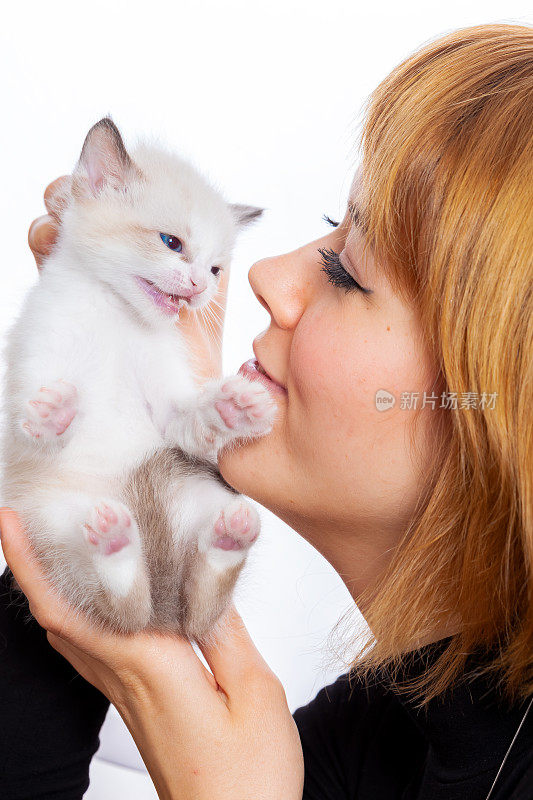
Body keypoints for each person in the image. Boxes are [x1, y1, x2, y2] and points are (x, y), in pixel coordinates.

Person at [1, 22, 532, 800]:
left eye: (345, 272)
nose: (266, 277)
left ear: (494, 402)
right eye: (327, 229)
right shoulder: (372, 739)